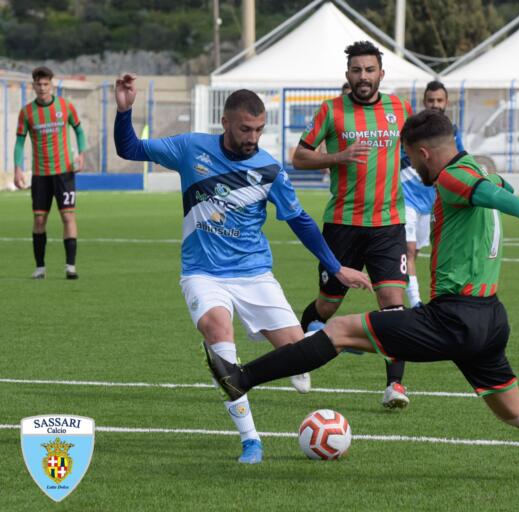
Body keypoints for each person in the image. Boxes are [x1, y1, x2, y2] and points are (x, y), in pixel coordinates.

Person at [203, 109, 519, 483]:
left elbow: (484, 193)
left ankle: (240, 378)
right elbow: (495, 189)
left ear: (425, 151)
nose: (414, 167)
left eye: (413, 158)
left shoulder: (455, 178)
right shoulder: (483, 170)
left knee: (338, 329)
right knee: (516, 412)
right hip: (491, 319)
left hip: (453, 318)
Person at [113, 74, 371, 464]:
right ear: (226, 123)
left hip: (254, 274)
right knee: (220, 334)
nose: (253, 137)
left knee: (301, 354)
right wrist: (125, 109)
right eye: (246, 129)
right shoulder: (189, 148)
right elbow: (129, 148)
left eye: (259, 130)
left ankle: (312, 334)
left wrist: (336, 268)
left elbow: (299, 220)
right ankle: (251, 440)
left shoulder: (269, 169)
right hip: (202, 272)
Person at [292, 41, 414, 409]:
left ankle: (395, 386)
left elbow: (419, 147)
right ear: (348, 75)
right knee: (327, 307)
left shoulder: (400, 109)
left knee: (393, 305)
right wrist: (336, 156)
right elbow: (298, 156)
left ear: (381, 73)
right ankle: (298, 350)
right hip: (343, 225)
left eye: (370, 70)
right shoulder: (331, 111)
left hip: (389, 226)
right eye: (357, 70)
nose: (363, 76)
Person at [14, 66, 87, 280]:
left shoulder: (65, 106)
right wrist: (17, 168)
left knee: (68, 215)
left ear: (52, 84)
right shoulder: (27, 112)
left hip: (64, 172)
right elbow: (19, 142)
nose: (42, 87)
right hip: (40, 174)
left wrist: (81, 154)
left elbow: (79, 130)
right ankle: (40, 268)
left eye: (46, 84)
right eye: (39, 84)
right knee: (38, 220)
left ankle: (70, 267)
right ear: (33, 85)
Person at [401, 80, 464, 307]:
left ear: (446, 102)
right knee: (407, 250)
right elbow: (398, 155)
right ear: (424, 102)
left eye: (439, 100)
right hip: (405, 197)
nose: (435, 104)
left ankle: (408, 293)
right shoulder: (412, 129)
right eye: (430, 100)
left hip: (431, 201)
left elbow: (460, 159)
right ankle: (416, 302)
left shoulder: (452, 133)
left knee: (415, 252)